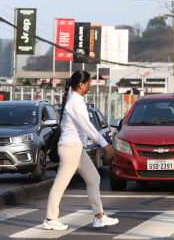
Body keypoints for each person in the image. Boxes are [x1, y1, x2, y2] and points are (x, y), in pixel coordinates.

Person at [42, 70, 118, 231]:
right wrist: (106, 145)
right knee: (60, 184)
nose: (90, 85)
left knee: (94, 178)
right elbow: (88, 127)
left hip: (76, 148)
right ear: (81, 84)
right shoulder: (75, 102)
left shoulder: (75, 100)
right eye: (89, 83)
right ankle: (50, 219)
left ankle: (99, 217)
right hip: (71, 148)